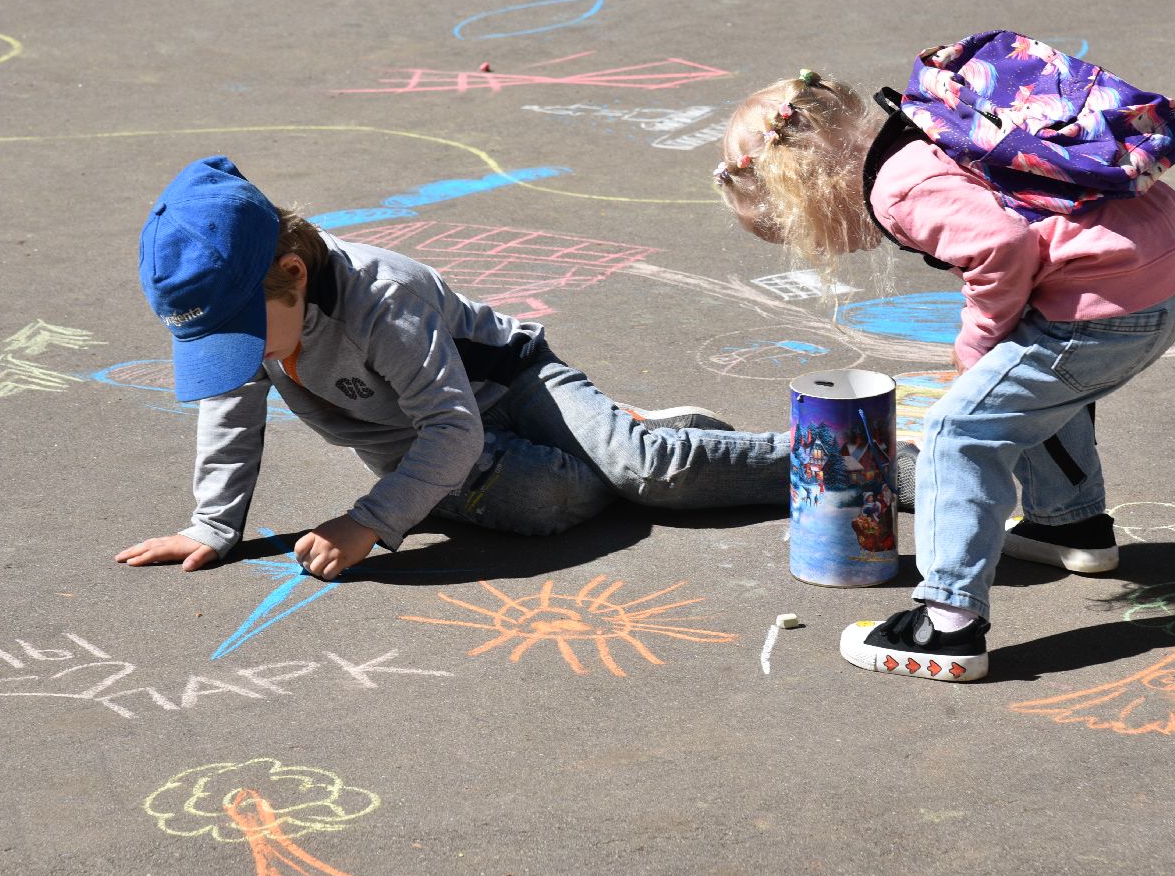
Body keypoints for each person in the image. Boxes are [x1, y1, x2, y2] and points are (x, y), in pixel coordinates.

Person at [711, 70, 1175, 682]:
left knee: (956, 432)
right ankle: (1069, 522)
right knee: (1021, 390)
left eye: (797, 227)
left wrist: (976, 347)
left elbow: (1003, 244)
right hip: (1161, 275)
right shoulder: (919, 130)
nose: (820, 244)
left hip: (1108, 306)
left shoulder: (897, 189)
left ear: (804, 182)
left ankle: (948, 625)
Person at [117, 156, 790, 579]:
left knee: (651, 472)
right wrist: (211, 525)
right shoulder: (260, 313)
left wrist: (370, 522)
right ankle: (611, 441)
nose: (238, 359)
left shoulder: (383, 299)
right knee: (547, 500)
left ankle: (836, 456)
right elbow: (231, 412)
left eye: (239, 338)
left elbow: (454, 426)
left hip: (514, 387)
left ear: (294, 273)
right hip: (414, 439)